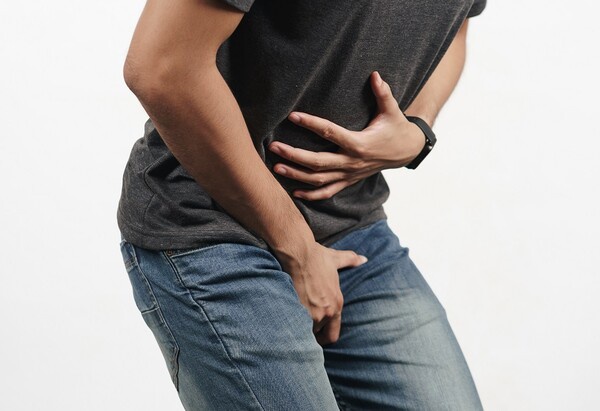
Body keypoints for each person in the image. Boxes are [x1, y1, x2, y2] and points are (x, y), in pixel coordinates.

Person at [117, 0, 487, 409]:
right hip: (210, 223)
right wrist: (298, 249)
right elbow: (161, 68)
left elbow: (459, 22)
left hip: (350, 228)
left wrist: (418, 128)